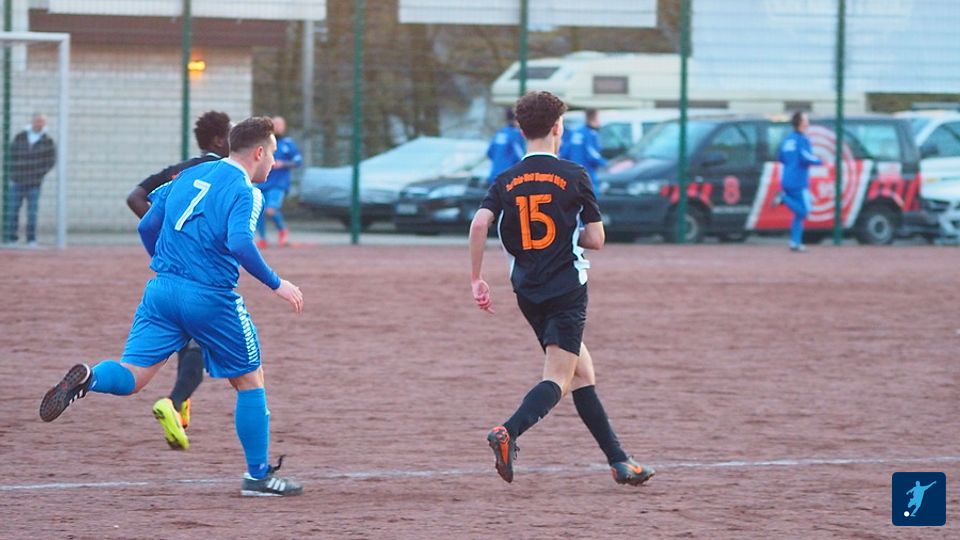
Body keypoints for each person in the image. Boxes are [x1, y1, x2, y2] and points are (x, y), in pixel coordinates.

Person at [40, 116, 305, 497]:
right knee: (250, 381)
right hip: (209, 298)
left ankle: (89, 378)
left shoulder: (189, 175)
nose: (274, 163)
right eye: (273, 154)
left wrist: (167, 262)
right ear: (259, 152)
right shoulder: (247, 192)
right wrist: (278, 284)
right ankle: (258, 477)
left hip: (162, 290)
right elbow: (240, 243)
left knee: (133, 375)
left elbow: (147, 225)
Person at [469, 91, 654, 486]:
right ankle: (508, 431)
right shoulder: (575, 174)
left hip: (527, 291)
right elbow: (596, 239)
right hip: (567, 289)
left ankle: (620, 461)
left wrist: (476, 278)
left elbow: (480, 224)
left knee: (582, 372)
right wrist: (567, 237)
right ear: (557, 127)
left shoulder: (505, 180)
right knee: (558, 376)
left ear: (522, 130)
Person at [125, 110, 231, 450]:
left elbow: (135, 197)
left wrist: (166, 234)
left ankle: (181, 405)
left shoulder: (180, 170)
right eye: (231, 134)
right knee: (199, 348)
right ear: (219, 139)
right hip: (200, 274)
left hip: (169, 272)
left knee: (187, 342)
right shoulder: (224, 174)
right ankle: (173, 402)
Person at [4, 113, 56, 246]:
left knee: (32, 212)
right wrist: (13, 172)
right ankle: (12, 238)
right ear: (32, 121)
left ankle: (31, 239)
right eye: (38, 121)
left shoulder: (47, 141)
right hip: (17, 180)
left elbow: (51, 161)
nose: (39, 124)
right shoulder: (20, 137)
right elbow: (11, 154)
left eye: (42, 122)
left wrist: (39, 173)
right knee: (12, 210)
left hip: (34, 182)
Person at [776, 111, 822, 252]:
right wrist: (819, 161)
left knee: (798, 214)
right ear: (801, 122)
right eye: (806, 119)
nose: (808, 122)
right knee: (805, 210)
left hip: (787, 178)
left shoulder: (787, 139)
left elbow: (780, 157)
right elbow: (805, 157)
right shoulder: (802, 139)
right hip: (798, 181)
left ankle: (795, 242)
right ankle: (783, 198)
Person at [255, 116, 301, 248]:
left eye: (280, 125)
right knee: (259, 211)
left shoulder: (288, 143)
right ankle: (263, 239)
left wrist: (283, 164)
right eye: (275, 124)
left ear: (284, 127)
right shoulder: (264, 143)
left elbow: (298, 161)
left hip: (279, 183)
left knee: (271, 209)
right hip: (263, 182)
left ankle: (282, 230)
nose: (277, 127)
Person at [559, 108, 607, 189]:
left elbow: (564, 153)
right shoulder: (590, 134)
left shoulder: (575, 132)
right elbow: (593, 156)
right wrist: (608, 165)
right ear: (594, 118)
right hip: (587, 175)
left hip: (572, 175)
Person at [486, 108, 525, 184]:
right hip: (509, 178)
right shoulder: (515, 135)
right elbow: (521, 157)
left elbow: (489, 153)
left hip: (494, 177)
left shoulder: (500, 133)